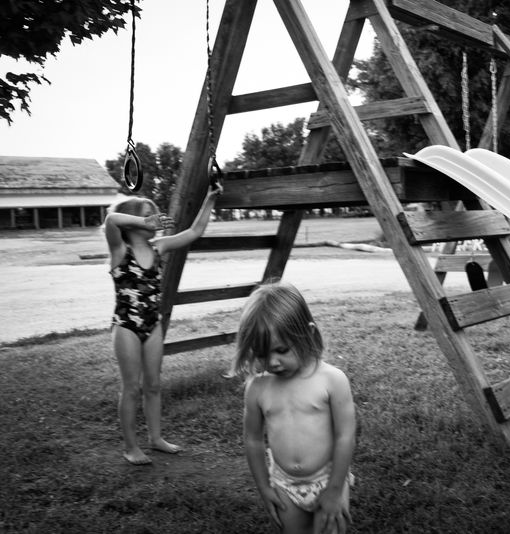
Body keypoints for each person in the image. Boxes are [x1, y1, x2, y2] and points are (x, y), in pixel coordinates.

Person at [104, 185, 222, 465]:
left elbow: (194, 232)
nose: (156, 220)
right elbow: (111, 220)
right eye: (149, 215)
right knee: (132, 388)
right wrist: (144, 221)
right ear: (133, 220)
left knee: (154, 385)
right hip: (126, 325)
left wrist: (209, 198)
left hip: (152, 324)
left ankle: (156, 439)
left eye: (155, 215)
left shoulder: (159, 247)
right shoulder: (120, 249)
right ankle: (131, 447)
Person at [230, 282, 356, 534]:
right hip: (284, 484)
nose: (273, 362)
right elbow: (253, 440)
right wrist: (264, 487)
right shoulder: (257, 387)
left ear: (307, 333)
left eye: (281, 350)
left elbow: (345, 436)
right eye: (262, 354)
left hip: (328, 477)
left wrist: (334, 490)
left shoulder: (331, 380)